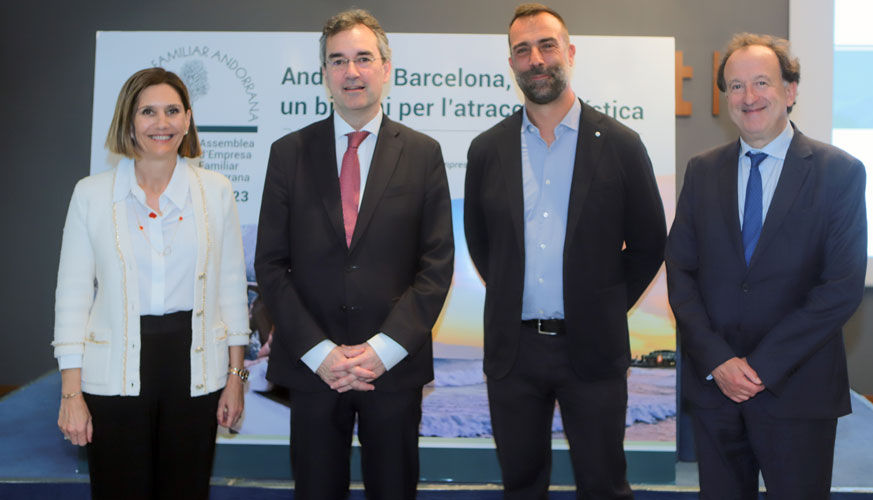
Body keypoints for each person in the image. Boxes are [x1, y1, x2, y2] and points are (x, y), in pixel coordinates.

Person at [464, 3, 667, 498]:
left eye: (547, 45)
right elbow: (480, 242)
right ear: (511, 63)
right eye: (523, 50)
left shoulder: (620, 144)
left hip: (593, 348)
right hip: (514, 354)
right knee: (521, 485)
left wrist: (597, 302)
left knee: (603, 485)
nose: (536, 59)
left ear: (570, 53)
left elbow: (649, 242)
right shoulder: (487, 150)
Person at [254, 9, 454, 500]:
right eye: (338, 61)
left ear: (386, 68)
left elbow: (436, 266)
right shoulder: (288, 154)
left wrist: (382, 351)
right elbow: (271, 266)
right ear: (323, 74)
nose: (351, 72)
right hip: (312, 370)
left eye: (363, 58)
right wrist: (321, 354)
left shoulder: (424, 153)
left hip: (393, 371)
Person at [666, 33, 867, 499]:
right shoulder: (702, 171)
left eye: (762, 82)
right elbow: (680, 272)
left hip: (798, 392)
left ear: (790, 90)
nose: (749, 97)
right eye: (736, 86)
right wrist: (719, 361)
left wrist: (759, 368)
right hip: (717, 394)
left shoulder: (839, 172)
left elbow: (840, 287)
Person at [52, 67, 251, 500]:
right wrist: (71, 392)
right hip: (114, 372)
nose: (161, 123)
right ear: (129, 121)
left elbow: (232, 290)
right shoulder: (90, 194)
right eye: (148, 112)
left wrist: (235, 376)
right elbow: (72, 299)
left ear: (188, 119)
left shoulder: (215, 190)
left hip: (195, 368)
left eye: (172, 111)